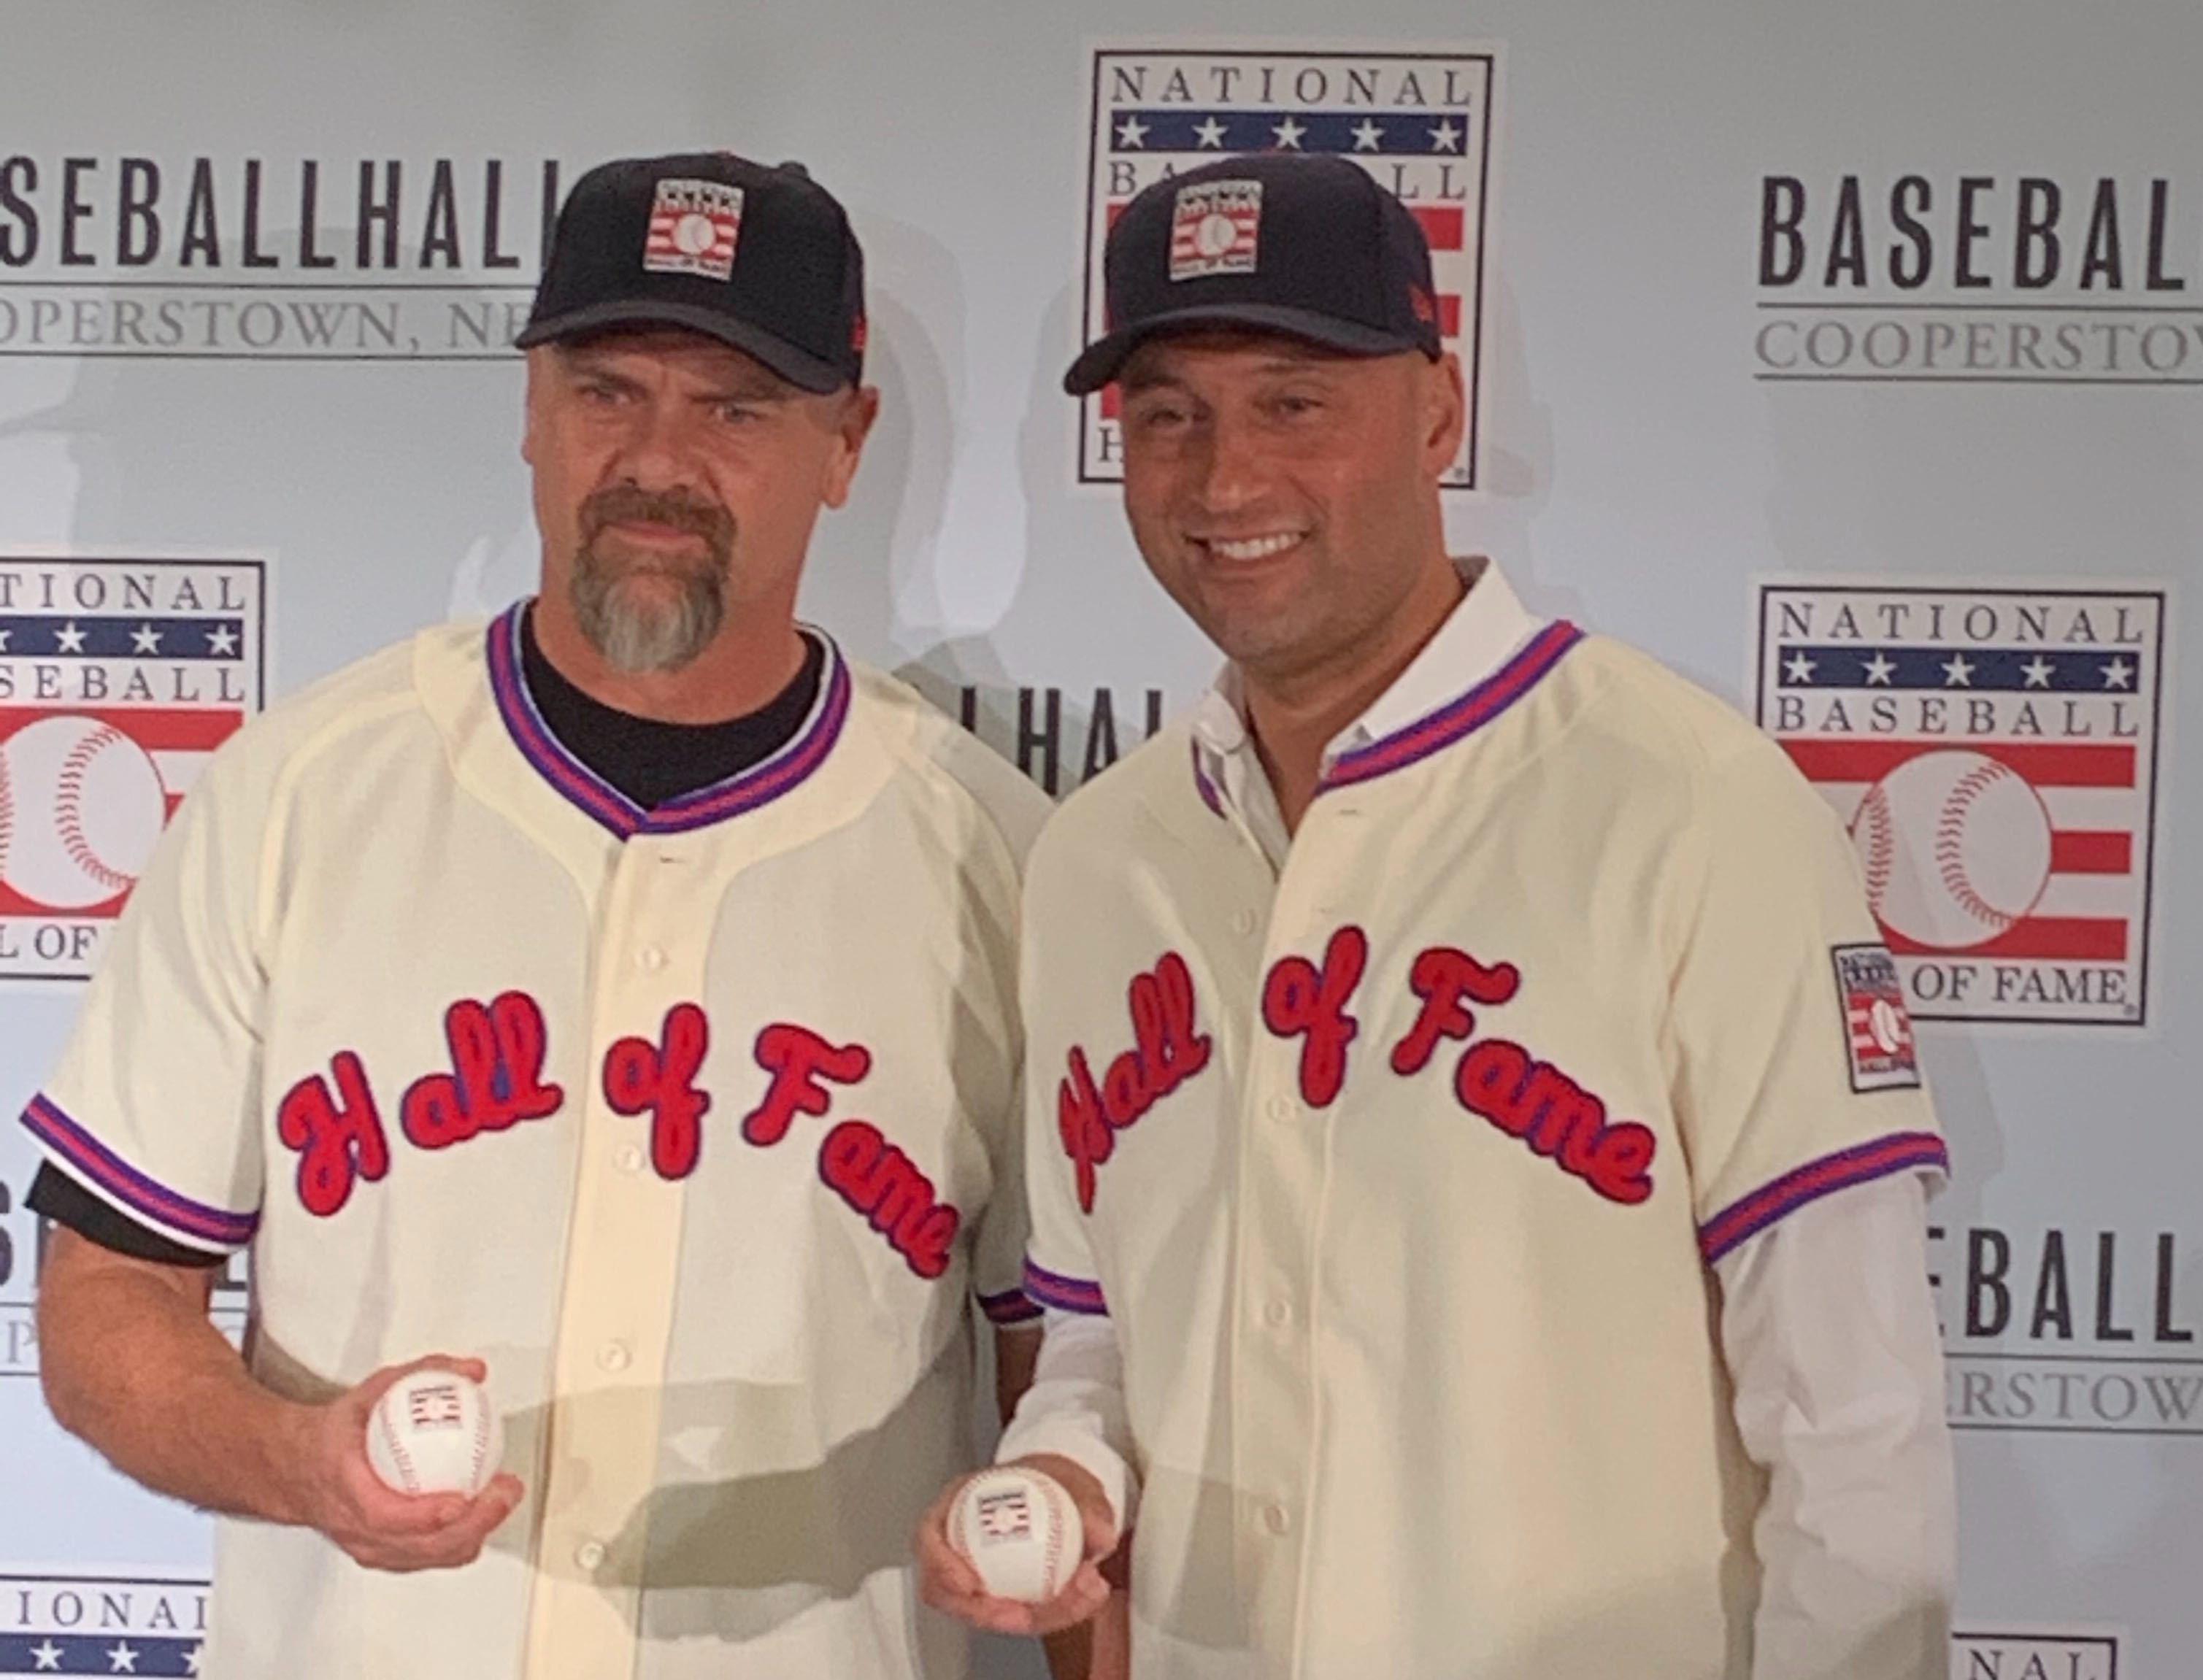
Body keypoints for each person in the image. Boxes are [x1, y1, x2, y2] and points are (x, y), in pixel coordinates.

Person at [918, 153, 1955, 1680]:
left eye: (1294, 400)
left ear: (1441, 412)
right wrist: (1071, 1473)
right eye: (1168, 415)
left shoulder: (1697, 810)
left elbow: (1855, 1440)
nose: (1225, 480)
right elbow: (1095, 1332)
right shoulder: (1098, 859)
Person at [25, 150, 1053, 1680]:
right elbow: (109, 1296)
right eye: (608, 390)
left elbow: (1075, 1373)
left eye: (736, 406)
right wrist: (292, 1457)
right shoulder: (299, 792)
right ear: (529, 408)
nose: (658, 458)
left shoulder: (1000, 859)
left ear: (848, 443)